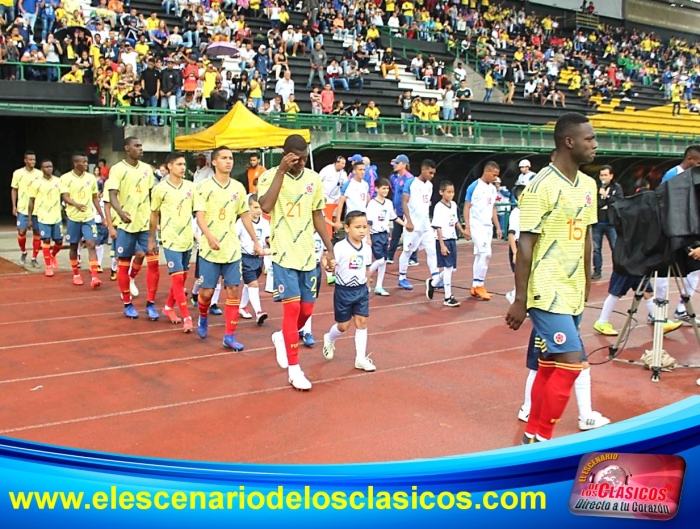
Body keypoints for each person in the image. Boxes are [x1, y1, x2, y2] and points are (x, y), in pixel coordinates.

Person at [506, 113, 599, 444]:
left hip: (573, 290)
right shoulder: (539, 187)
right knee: (574, 361)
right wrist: (520, 300)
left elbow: (587, 236)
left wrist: (587, 280)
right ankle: (544, 440)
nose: (595, 144)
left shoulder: (589, 185)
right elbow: (526, 244)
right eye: (589, 139)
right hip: (545, 289)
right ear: (568, 142)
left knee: (549, 363)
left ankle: (531, 435)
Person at [258, 134, 336, 391]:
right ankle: (294, 370)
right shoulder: (270, 176)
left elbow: (317, 215)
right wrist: (281, 171)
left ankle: (282, 337)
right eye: (296, 158)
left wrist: (330, 248)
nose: (301, 162)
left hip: (307, 253)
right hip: (282, 254)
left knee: (306, 311)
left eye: (304, 158)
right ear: (286, 154)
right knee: (291, 311)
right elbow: (266, 206)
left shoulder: (313, 179)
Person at [193, 147, 263, 350]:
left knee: (233, 290)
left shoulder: (238, 188)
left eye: (231, 158)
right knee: (206, 293)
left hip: (232, 249)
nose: (228, 161)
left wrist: (255, 241)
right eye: (223, 158)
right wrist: (209, 236)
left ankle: (229, 336)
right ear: (214, 162)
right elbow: (200, 216)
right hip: (210, 249)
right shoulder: (204, 187)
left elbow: (244, 215)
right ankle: (203, 316)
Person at [105, 137, 160, 320]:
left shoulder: (146, 170)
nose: (140, 148)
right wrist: (119, 212)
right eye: (137, 146)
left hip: (145, 224)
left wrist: (156, 217)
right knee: (123, 264)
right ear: (127, 148)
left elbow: (153, 194)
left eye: (141, 145)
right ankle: (127, 304)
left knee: (153, 263)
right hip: (126, 226)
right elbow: (112, 194)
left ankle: (151, 304)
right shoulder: (118, 169)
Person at [322, 210, 376, 372]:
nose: (361, 231)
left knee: (362, 322)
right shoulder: (340, 247)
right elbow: (326, 259)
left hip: (360, 290)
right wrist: (328, 264)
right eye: (357, 227)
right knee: (343, 326)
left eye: (364, 227)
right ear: (347, 228)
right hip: (343, 291)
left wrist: (368, 284)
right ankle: (329, 338)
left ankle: (360, 358)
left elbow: (366, 267)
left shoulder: (366, 248)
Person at [148, 152, 195, 333]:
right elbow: (154, 214)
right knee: (177, 278)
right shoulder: (160, 189)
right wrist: (151, 239)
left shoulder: (191, 187)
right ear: (169, 166)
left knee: (182, 278)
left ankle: (168, 307)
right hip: (170, 240)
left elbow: (198, 211)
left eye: (184, 164)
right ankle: (187, 317)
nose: (183, 167)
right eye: (179, 164)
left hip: (187, 239)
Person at [657, 145, 700, 323]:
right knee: (664, 273)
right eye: (698, 162)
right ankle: (658, 312)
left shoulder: (694, 177)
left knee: (695, 270)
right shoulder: (672, 175)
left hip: (687, 233)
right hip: (670, 234)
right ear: (689, 159)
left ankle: (682, 308)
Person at [60, 152, 104, 289]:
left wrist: (102, 216)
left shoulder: (91, 178)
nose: (86, 164)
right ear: (75, 163)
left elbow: (94, 197)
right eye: (83, 162)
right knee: (74, 246)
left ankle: (95, 277)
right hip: (73, 217)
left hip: (88, 217)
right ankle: (76, 274)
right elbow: (65, 196)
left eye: (87, 162)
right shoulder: (65, 178)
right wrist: (76, 204)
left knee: (91, 243)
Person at [397, 160, 440, 292]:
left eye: (434, 173)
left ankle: (436, 278)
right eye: (430, 172)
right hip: (413, 225)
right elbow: (404, 202)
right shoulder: (411, 183)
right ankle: (402, 277)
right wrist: (408, 221)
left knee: (432, 251)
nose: (432, 175)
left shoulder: (430, 186)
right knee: (408, 251)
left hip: (426, 224)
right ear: (423, 170)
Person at [463, 162, 502, 301]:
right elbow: (467, 207)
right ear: (487, 171)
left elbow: (493, 208)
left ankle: (475, 285)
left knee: (480, 255)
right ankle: (480, 284)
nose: (496, 178)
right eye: (494, 175)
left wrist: (497, 226)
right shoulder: (474, 186)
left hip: (487, 226)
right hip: (476, 225)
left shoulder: (492, 189)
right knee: (486, 254)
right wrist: (467, 227)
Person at [428, 180, 467, 307]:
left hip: (452, 238)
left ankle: (433, 283)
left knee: (452, 268)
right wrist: (442, 245)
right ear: (441, 192)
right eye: (448, 192)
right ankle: (448, 296)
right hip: (443, 239)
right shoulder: (438, 207)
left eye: (452, 192)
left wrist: (463, 231)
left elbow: (455, 221)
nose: (451, 195)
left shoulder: (454, 205)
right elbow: (437, 227)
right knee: (448, 268)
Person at [237, 194, 271, 326]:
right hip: (245, 257)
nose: (258, 210)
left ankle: (242, 307)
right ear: (248, 207)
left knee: (249, 285)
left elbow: (267, 238)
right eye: (255, 207)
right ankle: (259, 312)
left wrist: (272, 245)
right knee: (253, 284)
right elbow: (234, 237)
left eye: (260, 207)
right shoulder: (241, 222)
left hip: (259, 258)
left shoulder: (264, 222)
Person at [27, 159, 63, 278]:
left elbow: (65, 195)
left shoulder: (59, 181)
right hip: (42, 216)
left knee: (59, 242)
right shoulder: (36, 182)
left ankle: (53, 255)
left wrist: (64, 206)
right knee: (46, 240)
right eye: (46, 167)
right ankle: (48, 266)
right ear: (42, 169)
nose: (49, 169)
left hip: (56, 216)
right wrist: (30, 218)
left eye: (51, 166)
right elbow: (31, 200)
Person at [367, 178, 402, 296]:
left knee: (384, 261)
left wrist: (405, 224)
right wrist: (367, 237)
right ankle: (365, 276)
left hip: (385, 234)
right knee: (380, 259)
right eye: (383, 188)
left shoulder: (388, 203)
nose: (386, 190)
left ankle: (379, 285)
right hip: (375, 234)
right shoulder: (372, 204)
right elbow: (369, 222)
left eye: (387, 188)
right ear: (377, 189)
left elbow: (394, 217)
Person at [11, 151, 42, 267]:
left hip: (37, 208)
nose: (32, 162)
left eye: (34, 160)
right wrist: (14, 205)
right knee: (21, 231)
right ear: (25, 160)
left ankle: (34, 258)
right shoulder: (18, 173)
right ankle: (23, 252)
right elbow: (14, 189)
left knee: (37, 232)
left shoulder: (40, 174)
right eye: (30, 160)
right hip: (22, 207)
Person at [591, 165, 623, 280]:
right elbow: (595, 203)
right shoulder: (596, 187)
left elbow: (619, 202)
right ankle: (597, 271)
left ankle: (618, 271)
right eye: (601, 175)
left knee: (615, 247)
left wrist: (607, 196)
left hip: (611, 223)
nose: (603, 178)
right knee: (596, 249)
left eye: (605, 175)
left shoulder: (617, 187)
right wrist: (603, 199)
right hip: (598, 222)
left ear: (611, 175)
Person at [387, 154, 416, 264]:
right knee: (396, 234)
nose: (394, 166)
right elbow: (395, 193)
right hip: (398, 211)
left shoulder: (409, 178)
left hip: (407, 212)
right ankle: (390, 256)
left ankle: (413, 257)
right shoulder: (396, 178)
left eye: (397, 163)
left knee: (410, 234)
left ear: (404, 164)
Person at [505, 185, 526, 305]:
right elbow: (511, 234)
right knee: (520, 275)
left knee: (525, 275)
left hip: (526, 244)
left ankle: (515, 295)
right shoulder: (515, 213)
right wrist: (515, 252)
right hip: (518, 245)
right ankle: (514, 297)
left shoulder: (528, 212)